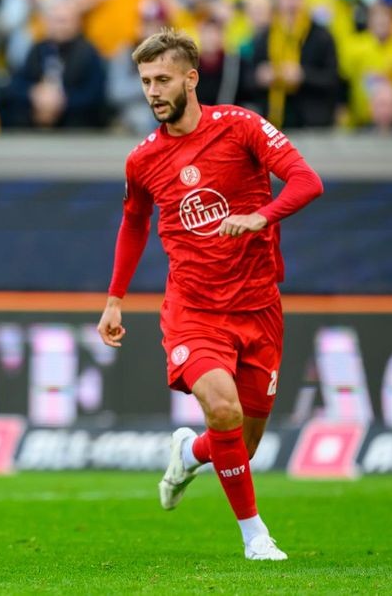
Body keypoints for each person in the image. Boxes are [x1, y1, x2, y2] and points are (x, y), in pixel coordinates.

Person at [96, 28, 323, 561]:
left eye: (163, 80)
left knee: (240, 442)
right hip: (193, 309)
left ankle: (188, 452)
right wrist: (114, 298)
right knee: (220, 408)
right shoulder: (142, 159)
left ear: (191, 79)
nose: (152, 91)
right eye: (146, 81)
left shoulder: (242, 127)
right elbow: (133, 224)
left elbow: (307, 181)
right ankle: (255, 537)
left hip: (259, 306)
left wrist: (259, 217)